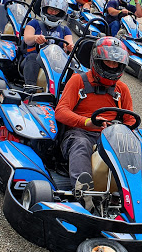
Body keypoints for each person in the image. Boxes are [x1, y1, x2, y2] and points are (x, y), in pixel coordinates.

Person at [55, 36, 134, 189]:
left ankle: (136, 191)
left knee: (136, 144)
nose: (112, 66)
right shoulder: (78, 81)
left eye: (116, 63)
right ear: (97, 61)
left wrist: (120, 129)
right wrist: (87, 122)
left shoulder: (122, 89)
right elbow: (60, 111)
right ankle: (83, 190)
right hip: (81, 132)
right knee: (81, 144)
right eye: (108, 62)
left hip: (111, 136)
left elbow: (130, 119)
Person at [22, 0, 74, 87]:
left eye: (56, 11)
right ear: (45, 9)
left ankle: (65, 92)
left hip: (55, 63)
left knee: (73, 64)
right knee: (32, 57)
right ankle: (30, 89)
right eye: (51, 9)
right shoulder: (34, 23)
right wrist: (35, 38)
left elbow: (69, 43)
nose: (53, 13)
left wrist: (69, 47)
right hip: (34, 59)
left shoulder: (65, 30)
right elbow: (27, 39)